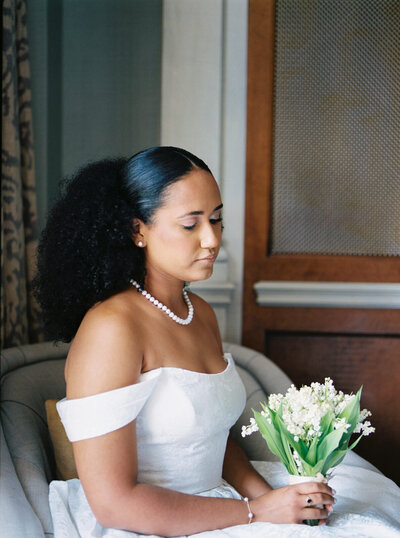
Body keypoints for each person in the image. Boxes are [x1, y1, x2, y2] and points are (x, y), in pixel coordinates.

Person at [35, 147, 400, 538]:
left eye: (216, 219)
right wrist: (255, 511)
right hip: (146, 523)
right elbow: (114, 504)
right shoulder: (111, 328)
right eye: (190, 225)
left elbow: (212, 438)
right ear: (137, 229)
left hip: (222, 502)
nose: (211, 239)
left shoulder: (200, 312)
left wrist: (283, 503)